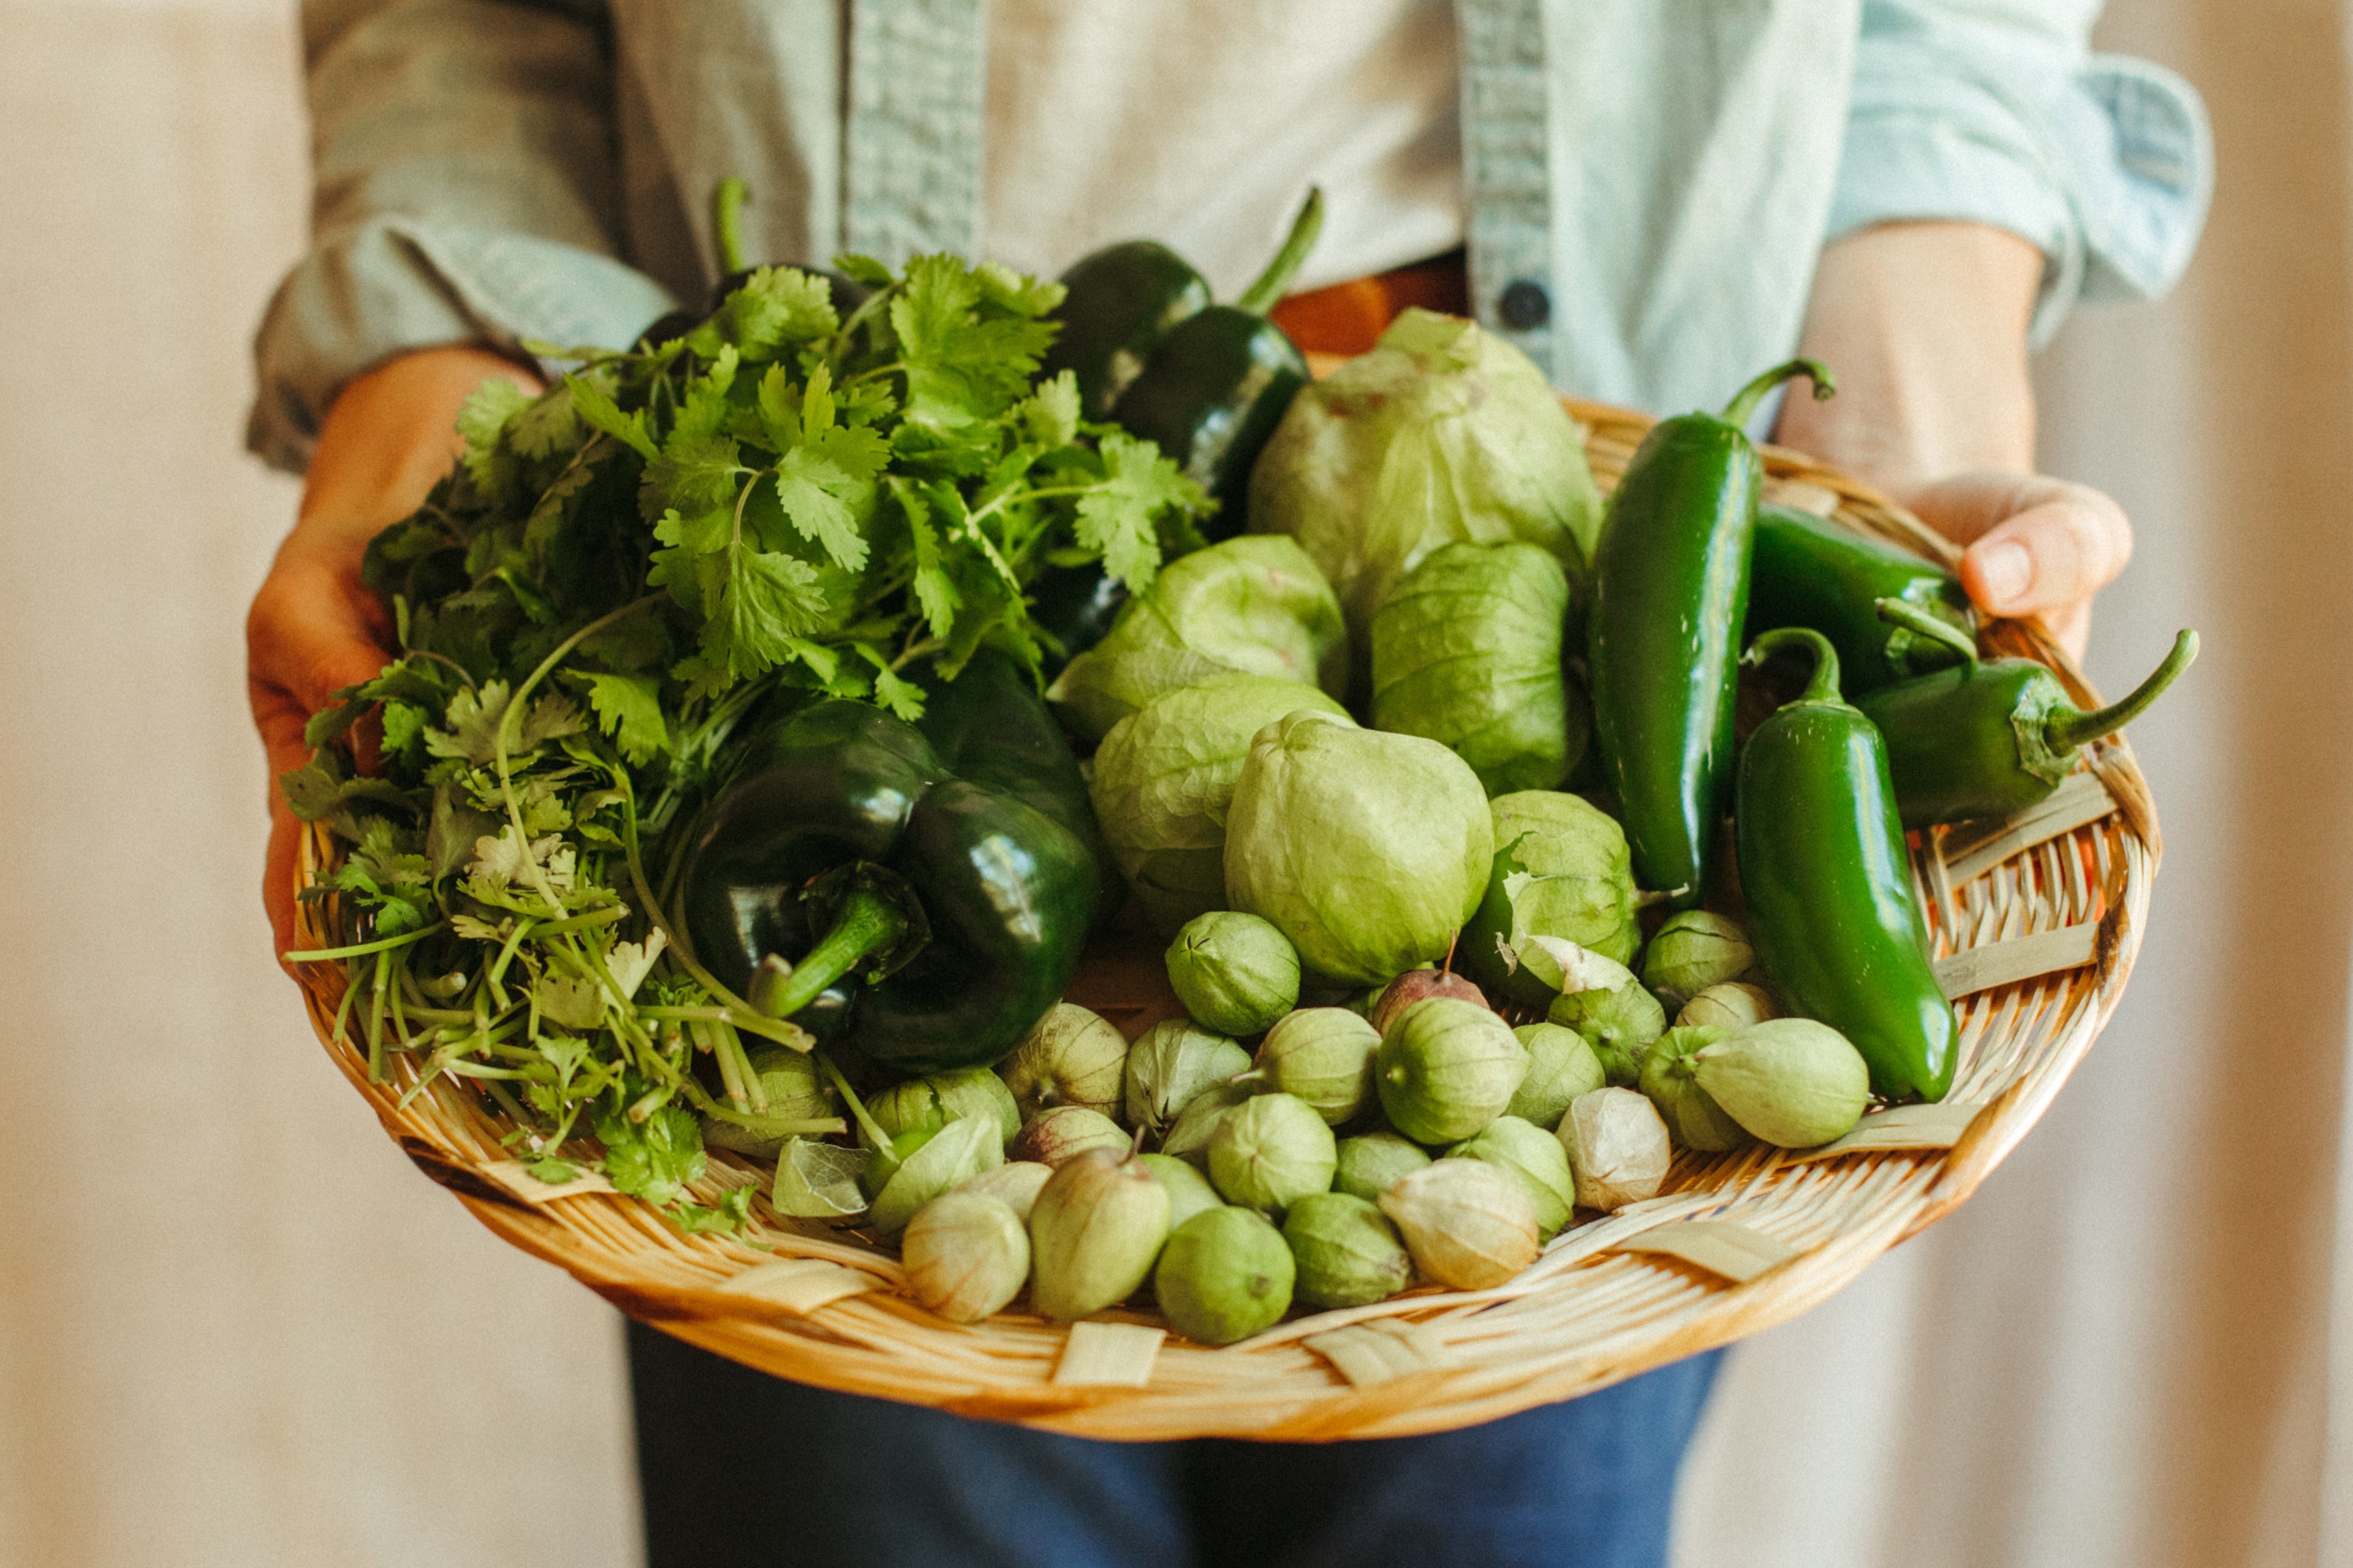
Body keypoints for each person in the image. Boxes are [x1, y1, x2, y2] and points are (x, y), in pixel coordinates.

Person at [244, 5, 2210, 1564]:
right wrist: (429, 352)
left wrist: (1897, 386)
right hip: (816, 579)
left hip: (1564, 512)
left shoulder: (1557, 895)